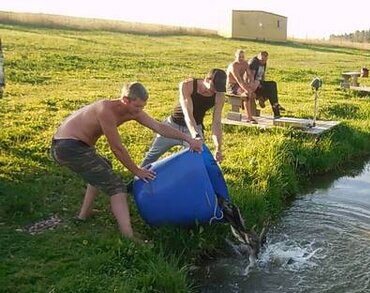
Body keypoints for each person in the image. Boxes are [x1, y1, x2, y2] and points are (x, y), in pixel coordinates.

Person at [50, 82, 202, 241]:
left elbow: (159, 127)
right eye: (137, 106)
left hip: (78, 146)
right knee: (117, 187)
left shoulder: (134, 111)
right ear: (125, 100)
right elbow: (117, 148)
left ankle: (84, 214)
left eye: (142, 107)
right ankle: (128, 236)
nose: (139, 111)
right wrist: (137, 171)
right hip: (67, 147)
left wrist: (188, 139)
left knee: (103, 167)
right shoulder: (105, 110)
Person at [141, 69, 226, 167]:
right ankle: (136, 179)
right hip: (172, 125)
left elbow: (216, 122)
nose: (214, 91)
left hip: (196, 126)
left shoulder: (219, 95)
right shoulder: (187, 85)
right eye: (213, 88)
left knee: (196, 159)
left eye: (218, 89)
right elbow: (188, 113)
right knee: (152, 155)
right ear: (207, 79)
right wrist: (195, 135)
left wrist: (218, 147)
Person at [248, 51, 286, 118]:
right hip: (252, 85)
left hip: (258, 83)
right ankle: (276, 110)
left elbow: (262, 75)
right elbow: (250, 77)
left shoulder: (264, 62)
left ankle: (274, 108)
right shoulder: (254, 62)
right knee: (271, 87)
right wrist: (256, 85)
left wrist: (262, 83)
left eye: (265, 60)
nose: (263, 62)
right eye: (262, 60)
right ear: (258, 57)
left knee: (272, 86)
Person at [226, 49, 258, 123]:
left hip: (240, 84)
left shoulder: (245, 64)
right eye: (239, 57)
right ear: (236, 56)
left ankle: (250, 111)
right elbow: (239, 80)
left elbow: (250, 75)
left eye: (242, 57)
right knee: (246, 94)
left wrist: (251, 84)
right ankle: (249, 118)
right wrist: (247, 90)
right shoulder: (233, 66)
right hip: (232, 86)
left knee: (252, 92)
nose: (241, 58)